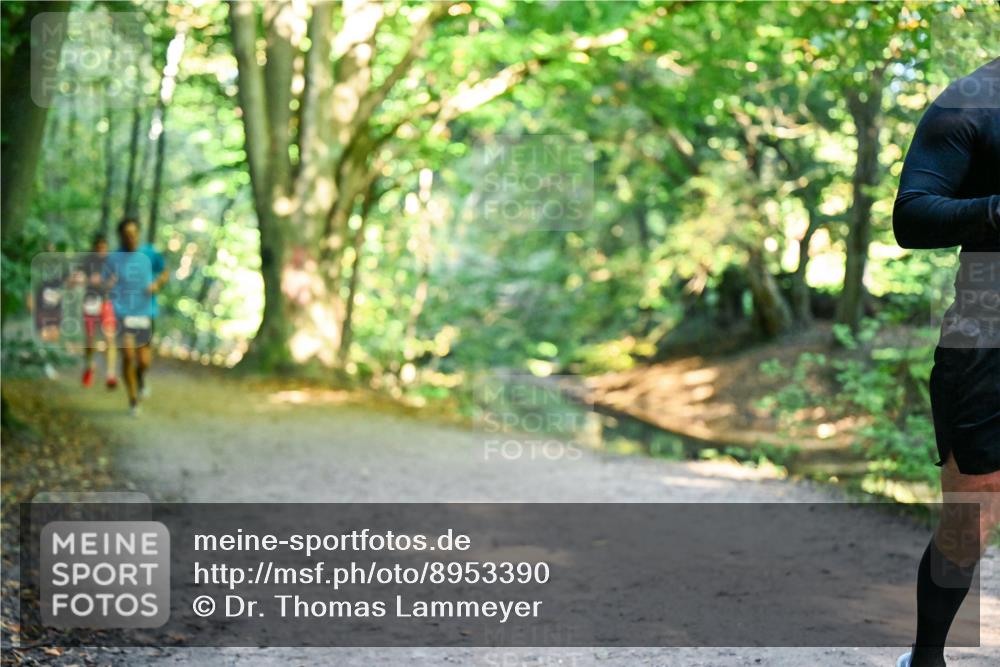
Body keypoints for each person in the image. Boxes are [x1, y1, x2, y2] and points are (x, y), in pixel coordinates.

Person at [892, 57, 1000, 667]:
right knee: (973, 510)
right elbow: (911, 215)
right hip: (989, 324)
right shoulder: (972, 101)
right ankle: (926, 656)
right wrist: (995, 209)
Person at [105, 217, 168, 416]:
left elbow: (165, 271)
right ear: (121, 236)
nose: (130, 238)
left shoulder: (149, 253)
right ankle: (133, 400)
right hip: (123, 313)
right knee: (128, 356)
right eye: (126, 235)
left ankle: (141, 378)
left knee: (143, 362)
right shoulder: (113, 258)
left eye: (134, 234)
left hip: (145, 313)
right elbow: (102, 284)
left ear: (138, 234)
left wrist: (157, 284)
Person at [79, 233, 118, 389]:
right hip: (90, 303)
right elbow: (79, 277)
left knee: (110, 338)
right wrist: (89, 280)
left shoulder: (111, 263)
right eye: (99, 247)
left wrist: (102, 283)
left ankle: (110, 374)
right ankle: (89, 366)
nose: (101, 250)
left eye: (104, 247)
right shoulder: (87, 262)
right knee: (90, 341)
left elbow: (114, 281)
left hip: (106, 303)